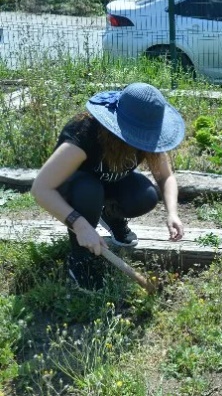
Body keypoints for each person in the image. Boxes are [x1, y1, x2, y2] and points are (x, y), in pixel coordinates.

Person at [31, 83, 186, 290]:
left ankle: (111, 216)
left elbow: (166, 177)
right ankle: (80, 260)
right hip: (76, 191)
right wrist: (80, 225)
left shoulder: (147, 136)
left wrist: (172, 213)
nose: (143, 143)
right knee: (89, 191)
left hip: (109, 183)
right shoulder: (84, 135)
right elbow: (41, 189)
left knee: (145, 195)